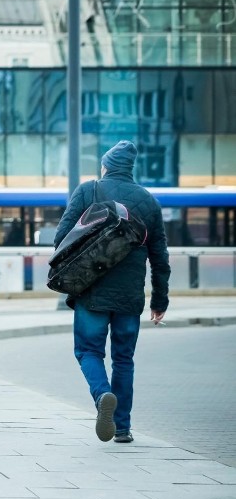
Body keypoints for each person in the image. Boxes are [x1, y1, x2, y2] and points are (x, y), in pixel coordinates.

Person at [54, 140, 170, 444]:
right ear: (130, 169)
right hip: (130, 296)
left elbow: (61, 238)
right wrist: (160, 300)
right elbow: (160, 258)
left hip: (91, 288)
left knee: (88, 351)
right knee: (123, 359)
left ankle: (102, 393)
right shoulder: (149, 201)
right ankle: (122, 427)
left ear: (105, 165)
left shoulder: (88, 191)